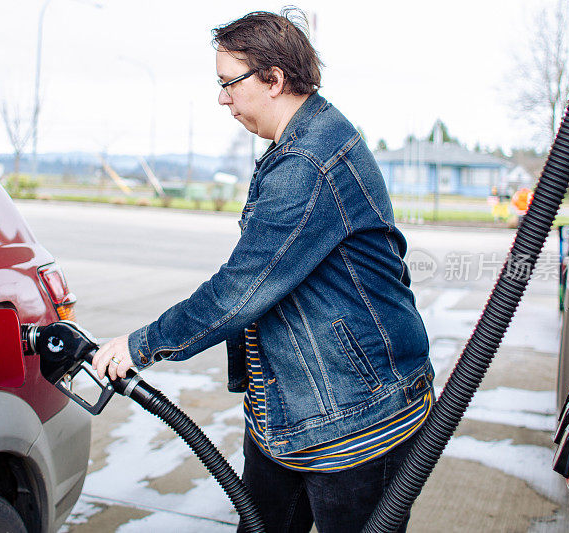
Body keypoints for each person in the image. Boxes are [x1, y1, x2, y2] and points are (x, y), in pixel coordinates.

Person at [94, 9, 433, 532]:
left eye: (229, 83)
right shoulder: (298, 143)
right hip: (293, 408)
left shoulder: (309, 162)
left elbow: (240, 291)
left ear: (273, 80)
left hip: (353, 414)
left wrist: (140, 344)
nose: (223, 99)